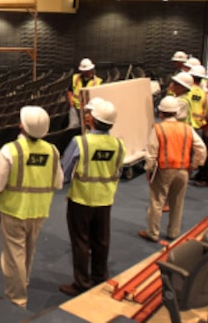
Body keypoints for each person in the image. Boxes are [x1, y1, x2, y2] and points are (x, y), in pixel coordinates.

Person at [0, 106, 63, 308]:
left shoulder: (9, 150)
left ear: (21, 125)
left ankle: (18, 297)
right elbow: (58, 182)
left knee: (14, 254)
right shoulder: (53, 151)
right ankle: (25, 280)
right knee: (29, 250)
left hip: (13, 210)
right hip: (39, 210)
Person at [59, 99, 124, 297]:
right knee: (101, 239)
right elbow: (118, 170)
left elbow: (65, 169)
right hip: (105, 198)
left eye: (89, 114)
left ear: (93, 120)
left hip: (81, 198)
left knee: (80, 241)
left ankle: (81, 282)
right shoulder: (118, 144)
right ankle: (99, 274)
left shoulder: (80, 142)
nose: (86, 115)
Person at [139, 96, 207, 243]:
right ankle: (173, 232)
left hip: (164, 170)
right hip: (183, 170)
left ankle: (153, 232)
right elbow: (201, 149)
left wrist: (149, 170)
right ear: (176, 113)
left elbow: (151, 153)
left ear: (161, 113)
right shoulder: (187, 128)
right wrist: (195, 165)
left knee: (157, 202)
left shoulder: (158, 129)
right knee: (177, 203)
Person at [67, 58, 102, 129]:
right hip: (75, 107)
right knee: (73, 126)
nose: (86, 72)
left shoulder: (98, 82)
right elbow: (70, 90)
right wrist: (71, 103)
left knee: (88, 128)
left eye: (87, 71)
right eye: (84, 71)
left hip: (89, 109)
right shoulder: (75, 78)